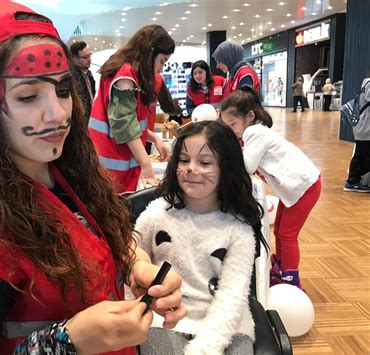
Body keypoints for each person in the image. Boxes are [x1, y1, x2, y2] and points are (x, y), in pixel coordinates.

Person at [0, 2, 186, 354]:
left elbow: (100, 239)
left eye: (63, 91)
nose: (56, 114)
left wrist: (136, 266)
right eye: (28, 95)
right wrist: (65, 341)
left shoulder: (72, 177)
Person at [135, 120, 268, 355]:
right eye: (184, 160)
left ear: (227, 168)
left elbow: (232, 295)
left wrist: (205, 349)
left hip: (227, 323)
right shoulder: (157, 213)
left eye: (205, 162)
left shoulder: (238, 229)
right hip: (164, 318)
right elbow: (132, 261)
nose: (190, 169)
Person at [220, 86, 321, 289]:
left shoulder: (255, 132)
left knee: (287, 234)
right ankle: (282, 267)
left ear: (249, 116)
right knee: (280, 232)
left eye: (233, 124)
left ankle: (291, 279)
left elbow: (247, 166)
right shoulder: (253, 132)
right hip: (295, 188)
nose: (231, 129)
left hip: (304, 187)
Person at [88, 25, 174, 193]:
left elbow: (127, 122)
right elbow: (125, 124)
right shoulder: (126, 77)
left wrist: (154, 138)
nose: (161, 69)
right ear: (150, 52)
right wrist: (145, 163)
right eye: (162, 61)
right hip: (112, 165)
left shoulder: (125, 72)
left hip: (109, 161)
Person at [344, 78, 370, 192]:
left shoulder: (365, 84)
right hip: (365, 130)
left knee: (360, 155)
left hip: (362, 129)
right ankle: (353, 181)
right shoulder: (369, 84)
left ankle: (353, 181)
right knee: (365, 156)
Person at [70, 41, 96, 120]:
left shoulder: (88, 73)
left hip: (91, 116)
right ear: (74, 58)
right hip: (81, 119)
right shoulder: (72, 77)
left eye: (89, 56)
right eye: (85, 57)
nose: (89, 60)